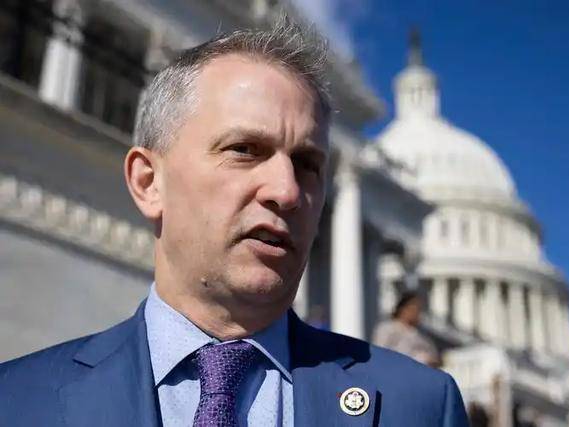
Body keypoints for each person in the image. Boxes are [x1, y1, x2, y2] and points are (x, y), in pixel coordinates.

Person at [0, 17, 469, 426]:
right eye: (244, 149)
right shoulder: (16, 400)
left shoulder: (419, 405)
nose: (287, 191)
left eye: (307, 164)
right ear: (148, 182)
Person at [373, 292, 441, 367]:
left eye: (419, 309)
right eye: (413, 308)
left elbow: (433, 353)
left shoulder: (420, 332)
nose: (417, 312)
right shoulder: (387, 328)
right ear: (402, 309)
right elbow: (380, 354)